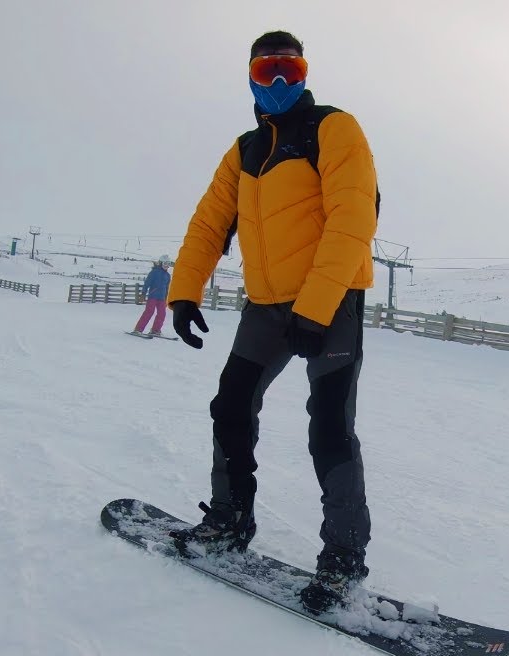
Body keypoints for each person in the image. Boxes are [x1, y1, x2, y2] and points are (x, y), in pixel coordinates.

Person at [166, 30, 379, 615]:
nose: (280, 82)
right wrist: (184, 293)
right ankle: (231, 518)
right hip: (265, 306)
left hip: (330, 302)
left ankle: (342, 559)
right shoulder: (244, 151)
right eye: (267, 71)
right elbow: (209, 224)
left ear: (306, 72)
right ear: (251, 78)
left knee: (329, 427)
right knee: (231, 405)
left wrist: (315, 306)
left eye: (291, 68)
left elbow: (352, 217)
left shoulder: (335, 128)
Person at [133, 256, 172, 335]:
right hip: (153, 296)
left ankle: (155, 330)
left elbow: (167, 288)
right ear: (160, 263)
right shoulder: (154, 272)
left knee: (162, 314)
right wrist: (143, 294)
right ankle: (138, 329)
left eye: (168, 264)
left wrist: (166, 299)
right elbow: (147, 283)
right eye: (165, 263)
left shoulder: (168, 275)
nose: (166, 265)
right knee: (149, 312)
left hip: (162, 298)